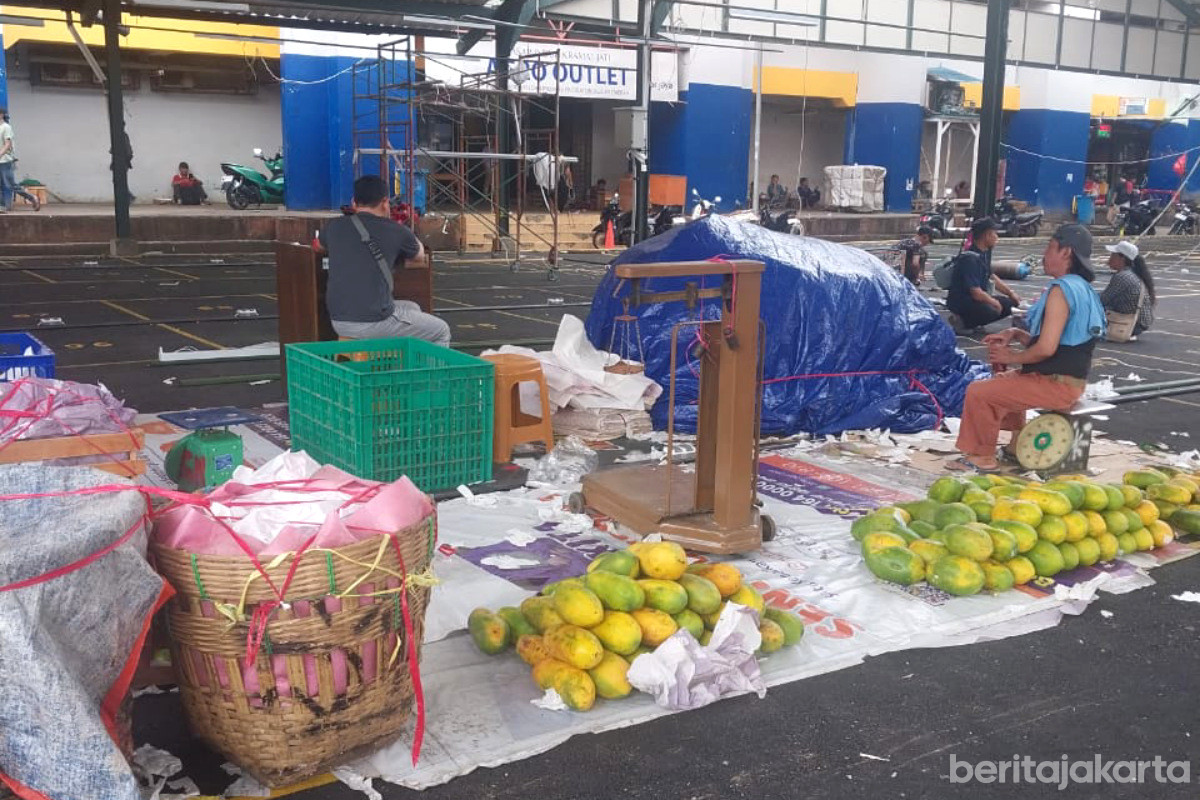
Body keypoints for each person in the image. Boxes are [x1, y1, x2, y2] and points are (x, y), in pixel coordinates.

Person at [950, 223, 1106, 472]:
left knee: (980, 392)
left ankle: (982, 456)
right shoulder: (1082, 288)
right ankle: (1015, 446)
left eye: (1050, 247)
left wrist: (1010, 355)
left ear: (1065, 253)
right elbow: (1065, 342)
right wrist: (1016, 334)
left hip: (1057, 384)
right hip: (1067, 380)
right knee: (1004, 382)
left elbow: (1045, 348)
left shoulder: (1061, 290)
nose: (1045, 254)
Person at [317, 175, 450, 346]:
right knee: (441, 330)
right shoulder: (396, 230)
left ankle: (395, 365)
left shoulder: (334, 226)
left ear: (354, 202)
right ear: (385, 201)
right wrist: (405, 227)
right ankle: (425, 373)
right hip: (372, 321)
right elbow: (419, 255)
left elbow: (319, 246)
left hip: (338, 320)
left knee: (412, 308)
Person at [946, 217, 1022, 332]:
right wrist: (994, 302)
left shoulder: (982, 255)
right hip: (962, 301)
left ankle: (974, 322)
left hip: (974, 300)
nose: (997, 237)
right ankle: (962, 322)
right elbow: (976, 292)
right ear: (987, 235)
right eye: (995, 234)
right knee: (991, 309)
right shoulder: (970, 259)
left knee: (1010, 304)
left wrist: (1011, 293)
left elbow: (992, 277)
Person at [1100, 240, 1156, 339]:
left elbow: (1103, 299)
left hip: (1132, 322)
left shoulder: (1123, 276)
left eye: (1113, 255)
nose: (1110, 258)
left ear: (1122, 258)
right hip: (1139, 322)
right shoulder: (1132, 273)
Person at [0, 108, 42, 212]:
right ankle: (2, 206)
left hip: (5, 161)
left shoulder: (6, 127)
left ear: (1, 115)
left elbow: (7, 144)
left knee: (11, 184)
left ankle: (33, 198)